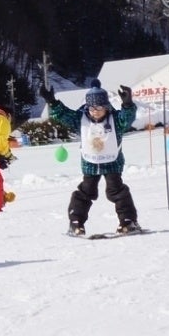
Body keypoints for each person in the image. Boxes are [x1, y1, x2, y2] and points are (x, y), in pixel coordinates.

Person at [49, 84, 143, 237]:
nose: (95, 112)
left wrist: (127, 104)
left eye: (99, 108)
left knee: (116, 191)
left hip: (112, 163)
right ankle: (76, 222)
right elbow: (63, 115)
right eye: (92, 108)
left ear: (106, 107)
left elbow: (127, 118)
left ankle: (128, 221)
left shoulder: (116, 119)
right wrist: (52, 102)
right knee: (86, 192)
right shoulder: (80, 119)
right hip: (90, 164)